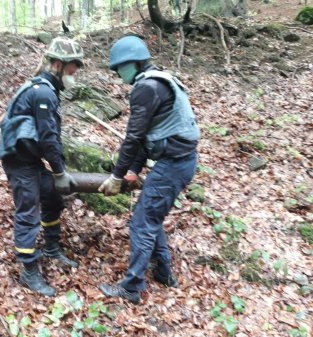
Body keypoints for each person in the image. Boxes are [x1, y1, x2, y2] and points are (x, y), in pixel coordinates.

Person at [98, 36, 200, 304]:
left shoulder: (146, 88)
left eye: (119, 68)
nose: (119, 75)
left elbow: (133, 137)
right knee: (150, 217)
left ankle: (132, 287)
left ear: (132, 62)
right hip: (178, 162)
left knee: (142, 223)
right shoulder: (159, 81)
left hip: (173, 165)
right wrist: (133, 169)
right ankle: (164, 272)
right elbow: (147, 136)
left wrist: (117, 176)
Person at [0, 37, 84, 297]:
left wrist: (57, 175)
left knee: (53, 196)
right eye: (73, 66)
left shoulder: (46, 89)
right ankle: (29, 272)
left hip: (30, 159)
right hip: (19, 162)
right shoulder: (43, 92)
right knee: (28, 212)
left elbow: (48, 137)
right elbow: (48, 138)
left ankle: (52, 248)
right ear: (58, 64)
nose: (76, 71)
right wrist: (59, 172)